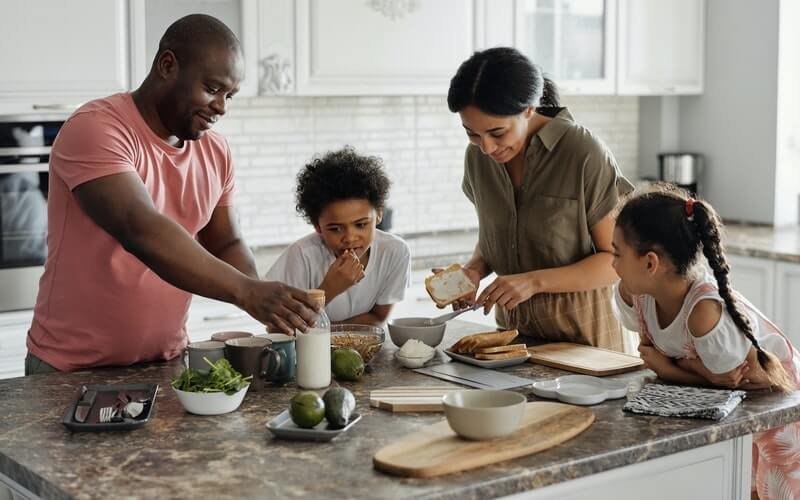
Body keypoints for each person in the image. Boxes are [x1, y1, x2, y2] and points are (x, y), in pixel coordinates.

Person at [25, 14, 319, 375]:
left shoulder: (215, 151)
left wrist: (265, 300)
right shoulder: (96, 128)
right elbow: (141, 229)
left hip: (166, 363)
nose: (222, 107)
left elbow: (226, 241)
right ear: (167, 65)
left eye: (230, 95)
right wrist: (246, 291)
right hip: (70, 370)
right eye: (212, 89)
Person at [611, 185, 799, 500]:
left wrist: (669, 370)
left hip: (774, 404)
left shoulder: (703, 312)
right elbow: (713, 380)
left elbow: (734, 384)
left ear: (650, 263)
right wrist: (695, 371)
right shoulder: (636, 294)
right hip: (729, 406)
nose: (612, 263)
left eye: (617, 253)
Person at [446, 47, 633, 351]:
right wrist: (474, 270)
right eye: (472, 134)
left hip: (586, 345)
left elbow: (616, 261)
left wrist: (533, 282)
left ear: (529, 109)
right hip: (513, 343)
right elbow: (500, 236)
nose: (487, 148)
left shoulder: (582, 152)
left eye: (497, 133)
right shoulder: (477, 159)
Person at [265, 147, 411, 326]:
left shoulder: (395, 251)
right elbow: (277, 328)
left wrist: (329, 333)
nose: (349, 238)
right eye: (335, 228)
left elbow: (378, 318)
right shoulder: (302, 255)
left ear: (379, 214)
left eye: (361, 225)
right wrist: (329, 289)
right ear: (317, 225)